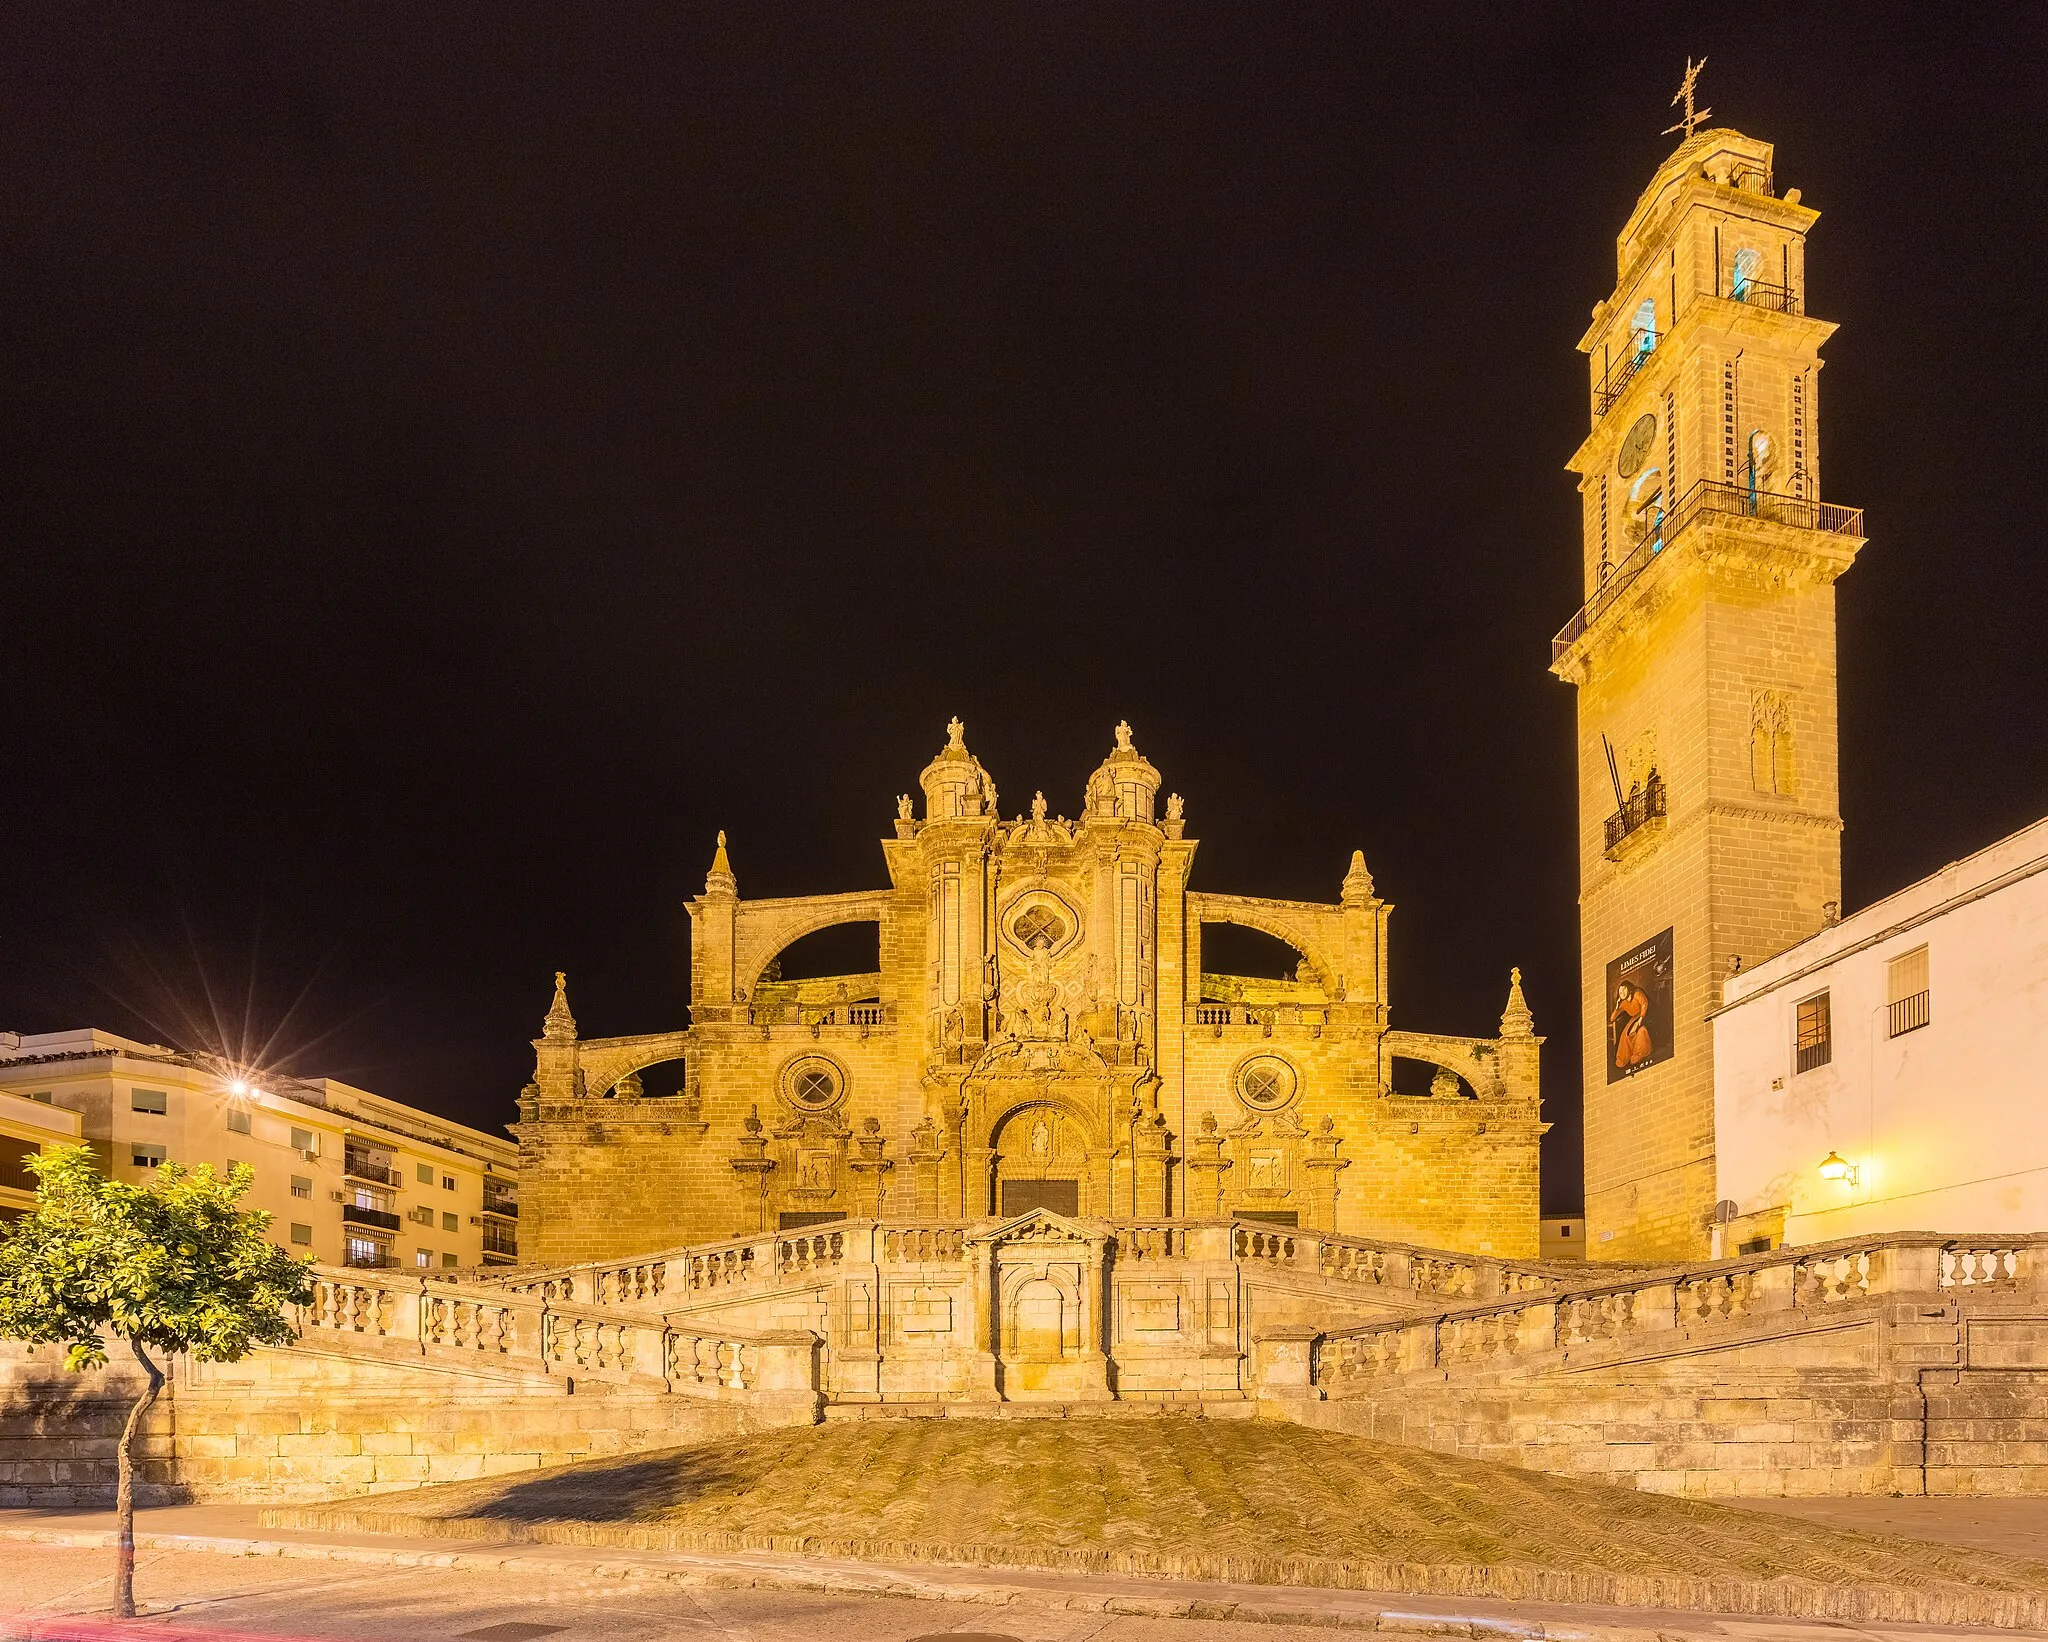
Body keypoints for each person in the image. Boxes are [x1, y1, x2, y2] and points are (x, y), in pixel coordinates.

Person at [1611, 980, 1653, 1072]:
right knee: (1624, 1035)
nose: (1621, 993)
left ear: (1629, 989)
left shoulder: (1637, 993)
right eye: (1620, 991)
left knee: (1641, 1031)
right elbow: (1612, 1018)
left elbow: (1644, 1004)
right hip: (1635, 1018)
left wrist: (1641, 1018)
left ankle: (1638, 1053)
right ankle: (1623, 1058)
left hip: (1647, 1014)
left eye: (1624, 990)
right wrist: (1617, 1006)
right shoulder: (1623, 1003)